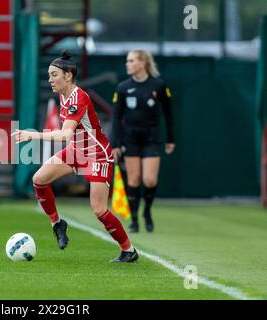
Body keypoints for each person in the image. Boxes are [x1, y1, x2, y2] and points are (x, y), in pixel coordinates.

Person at [12, 51, 138, 263]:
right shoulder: (63, 96)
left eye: (54, 75)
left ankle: (128, 250)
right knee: (38, 180)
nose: (50, 79)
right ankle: (57, 224)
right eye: (49, 75)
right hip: (76, 151)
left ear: (68, 76)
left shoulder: (78, 98)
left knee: (99, 209)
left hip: (97, 154)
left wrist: (32, 135)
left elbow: (65, 134)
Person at [111, 50, 175, 233]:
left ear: (142, 63)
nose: (127, 64)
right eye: (127, 61)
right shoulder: (123, 87)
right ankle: (134, 220)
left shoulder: (158, 85)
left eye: (131, 61)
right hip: (130, 138)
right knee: (133, 179)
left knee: (149, 179)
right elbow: (116, 117)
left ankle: (147, 211)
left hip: (151, 138)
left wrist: (171, 139)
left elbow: (169, 114)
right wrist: (115, 143)